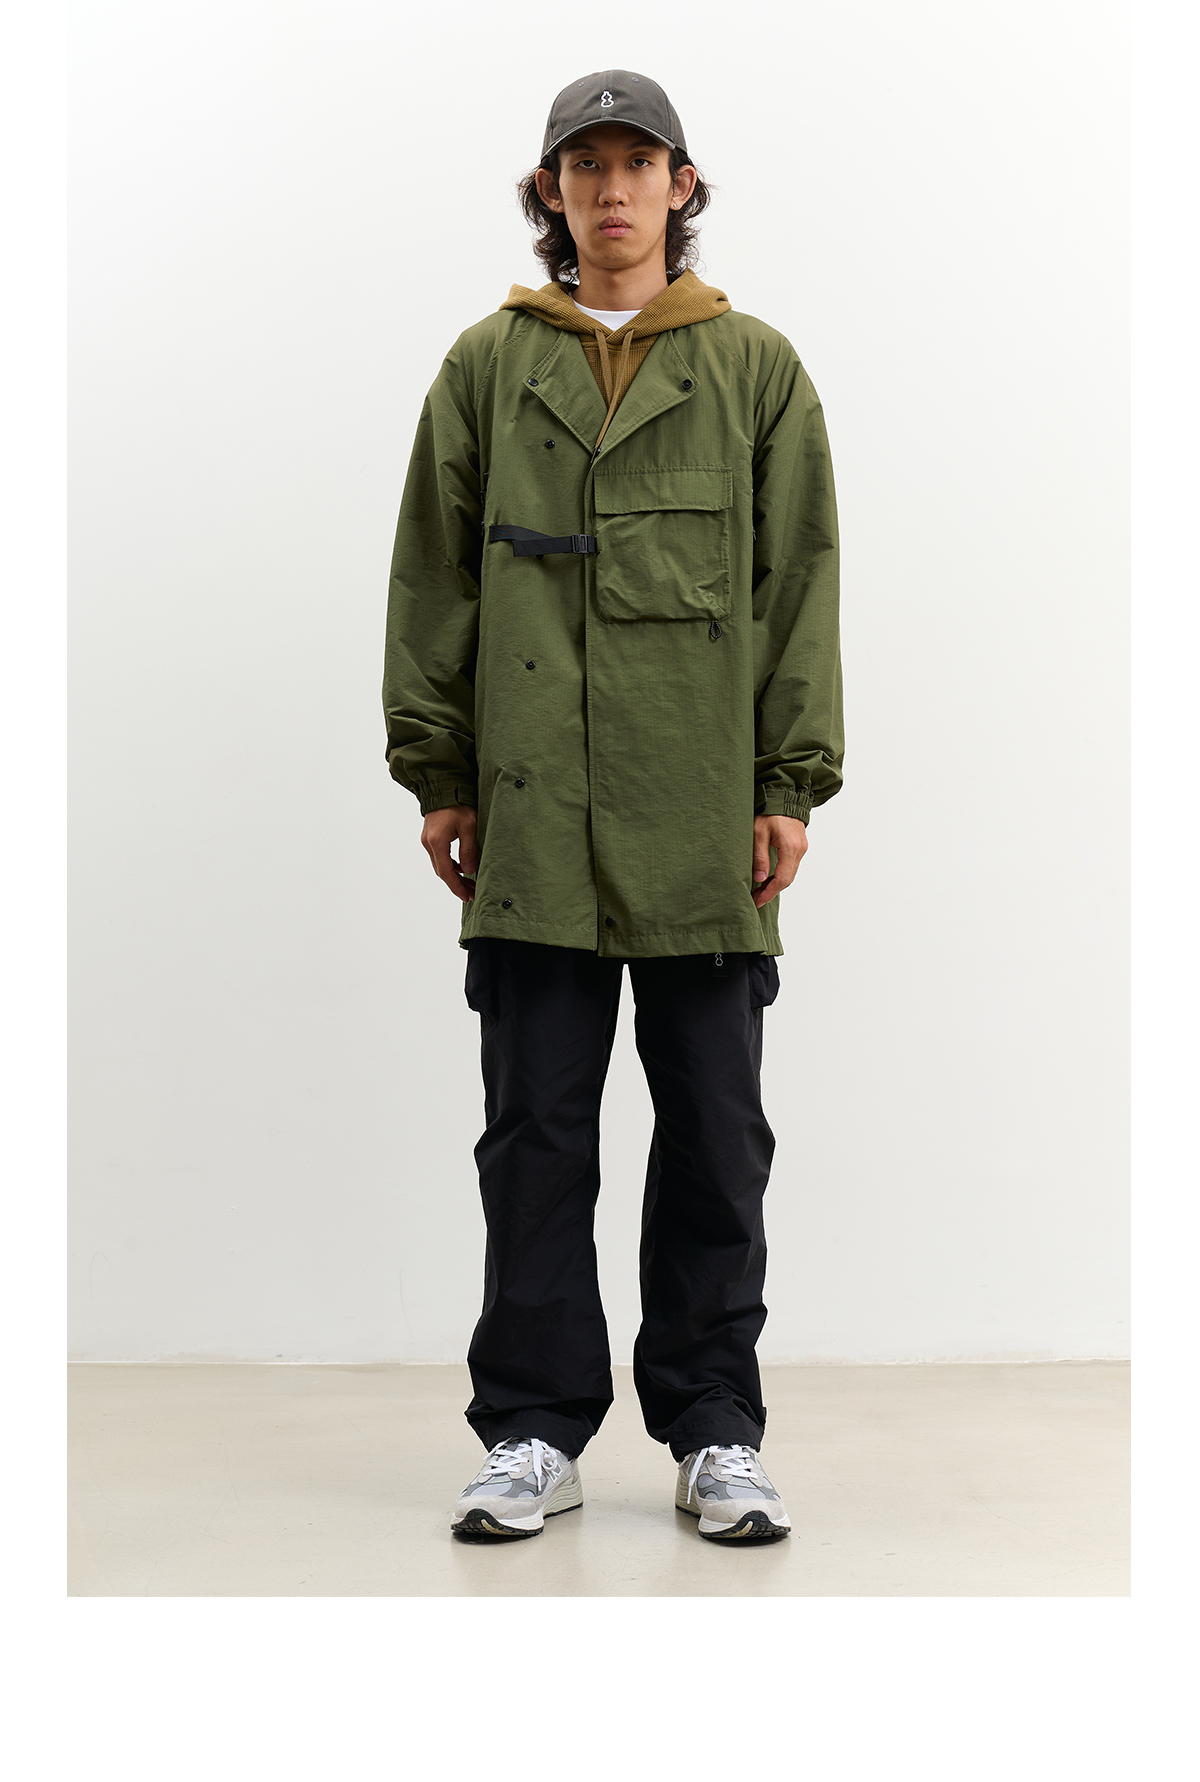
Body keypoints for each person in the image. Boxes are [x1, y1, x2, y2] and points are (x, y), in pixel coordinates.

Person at [383, 69, 843, 1543]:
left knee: (716, 1134)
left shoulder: (755, 369)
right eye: (585, 166)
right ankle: (532, 1428)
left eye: (638, 162)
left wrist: (788, 783)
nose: (613, 189)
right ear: (552, 194)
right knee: (534, 1136)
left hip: (704, 816)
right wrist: (441, 770)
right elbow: (434, 575)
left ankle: (715, 1430)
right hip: (532, 818)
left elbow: (798, 586)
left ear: (681, 187)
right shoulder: (487, 365)